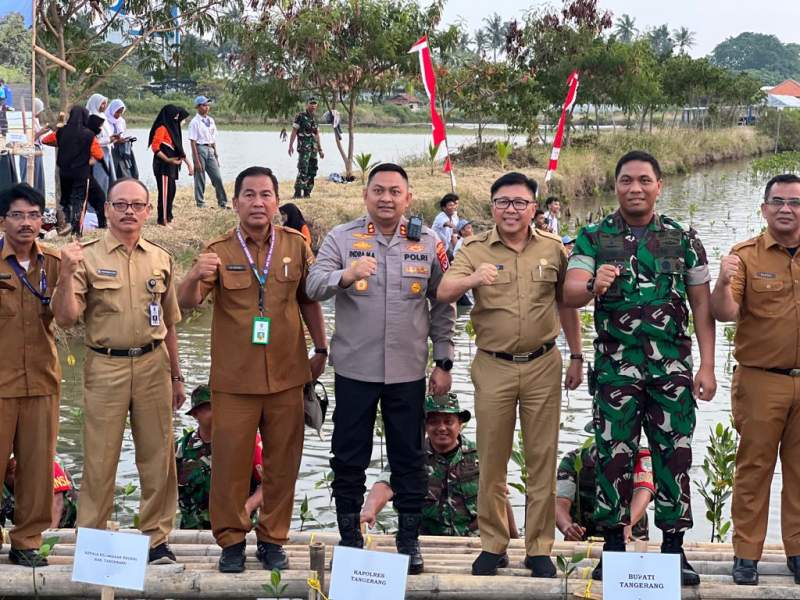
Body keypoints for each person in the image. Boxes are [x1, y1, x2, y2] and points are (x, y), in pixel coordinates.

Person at [562, 150, 717, 585]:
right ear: (616, 186)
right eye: (627, 180)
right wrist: (594, 285)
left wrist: (707, 366)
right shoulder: (593, 236)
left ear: (659, 186)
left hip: (672, 371)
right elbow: (570, 292)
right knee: (614, 456)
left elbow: (702, 305)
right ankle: (612, 546)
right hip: (617, 373)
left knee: (675, 456)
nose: (636, 188)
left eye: (644, 180)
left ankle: (673, 548)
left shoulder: (681, 239)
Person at [306, 162, 456, 575]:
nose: (386, 198)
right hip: (355, 369)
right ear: (365, 195)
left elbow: (443, 303)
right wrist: (345, 274)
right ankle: (351, 539)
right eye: (378, 190)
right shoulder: (342, 237)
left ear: (408, 197)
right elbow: (312, 285)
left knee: (409, 457)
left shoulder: (428, 242)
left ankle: (409, 542)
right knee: (349, 456)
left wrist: (443, 360)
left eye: (395, 191)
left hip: (408, 370)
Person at [177, 166, 327, 574]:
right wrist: (193, 274)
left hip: (287, 376)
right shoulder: (218, 250)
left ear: (276, 201)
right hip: (234, 380)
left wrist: (321, 348)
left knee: (283, 464)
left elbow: (309, 300)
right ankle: (231, 540)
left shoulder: (296, 246)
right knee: (229, 465)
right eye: (249, 194)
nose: (257, 202)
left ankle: (273, 539)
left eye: (265, 194)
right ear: (236, 201)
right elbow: (187, 303)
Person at [436, 172, 583, 578]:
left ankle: (538, 548)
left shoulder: (554, 249)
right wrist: (473, 278)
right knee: (492, 458)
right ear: (492, 206)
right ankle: (494, 544)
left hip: (543, 364)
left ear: (534, 207)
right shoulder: (474, 248)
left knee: (541, 459)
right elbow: (445, 291)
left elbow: (567, 303)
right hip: (494, 365)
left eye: (520, 202)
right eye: (503, 202)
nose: (512, 210)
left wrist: (577, 355)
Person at [51, 177, 185, 564]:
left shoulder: (160, 258)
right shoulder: (85, 256)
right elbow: (65, 317)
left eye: (136, 205)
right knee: (99, 458)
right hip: (105, 364)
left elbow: (170, 323)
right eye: (120, 204)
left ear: (147, 210)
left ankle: (156, 540)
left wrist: (176, 377)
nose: (129, 211)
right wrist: (65, 272)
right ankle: (94, 542)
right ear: (106, 209)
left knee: (158, 457)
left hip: (153, 364)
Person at [710, 173, 800, 586]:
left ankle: (797, 551)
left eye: (795, 202)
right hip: (762, 380)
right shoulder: (744, 255)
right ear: (764, 208)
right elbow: (724, 312)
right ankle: (746, 555)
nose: (787, 209)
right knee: (754, 469)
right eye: (778, 201)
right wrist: (723, 281)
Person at [0, 183, 61, 567]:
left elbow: (69, 316)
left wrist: (72, 272)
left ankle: (26, 542)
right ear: (2, 220)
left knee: (37, 468)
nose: (26, 223)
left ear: (43, 220)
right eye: (17, 215)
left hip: (41, 381)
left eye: (33, 215)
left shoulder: (54, 264)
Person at [361, 393, 519, 539]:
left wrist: (514, 541)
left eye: (448, 422)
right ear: (424, 425)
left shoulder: (481, 455)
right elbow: (386, 485)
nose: (442, 428)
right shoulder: (411, 456)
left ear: (460, 424)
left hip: (473, 540)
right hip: (424, 540)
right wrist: (369, 510)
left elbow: (501, 498)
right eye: (434, 422)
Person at [176, 385, 264, 530]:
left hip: (237, 530)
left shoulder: (247, 442)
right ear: (195, 414)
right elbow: (165, 490)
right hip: (193, 532)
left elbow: (267, 485)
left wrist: (248, 507)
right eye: (210, 407)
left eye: (222, 406)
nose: (219, 412)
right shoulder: (182, 448)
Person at [556, 423, 654, 542]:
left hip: (630, 536)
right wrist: (567, 527)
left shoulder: (641, 458)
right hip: (585, 536)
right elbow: (561, 502)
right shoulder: (574, 460)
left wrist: (626, 524)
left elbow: (643, 492)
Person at [40, 106, 104, 235]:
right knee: (82, 200)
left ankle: (67, 226)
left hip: (64, 173)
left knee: (68, 200)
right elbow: (99, 154)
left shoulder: (62, 132)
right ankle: (77, 230)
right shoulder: (88, 134)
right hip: (81, 173)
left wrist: (61, 143)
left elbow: (45, 140)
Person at [2, 457, 78, 530]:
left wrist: (47, 536)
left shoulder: (46, 462)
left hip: (70, 520)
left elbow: (57, 503)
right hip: (26, 522)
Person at [149, 104, 193, 226]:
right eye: (176, 116)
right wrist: (168, 160)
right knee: (164, 193)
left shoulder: (173, 130)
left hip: (172, 166)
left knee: (171, 191)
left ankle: (168, 216)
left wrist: (189, 165)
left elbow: (179, 150)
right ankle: (162, 220)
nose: (178, 119)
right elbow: (155, 148)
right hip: (163, 166)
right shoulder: (162, 128)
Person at [189, 96, 228, 209]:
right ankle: (200, 203)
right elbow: (193, 142)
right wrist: (196, 161)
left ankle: (222, 202)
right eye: (204, 105)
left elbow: (213, 139)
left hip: (210, 148)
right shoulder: (194, 122)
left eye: (207, 105)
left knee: (217, 178)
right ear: (198, 107)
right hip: (199, 149)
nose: (207, 107)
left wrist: (216, 155)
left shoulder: (211, 121)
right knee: (200, 177)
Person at [288, 98, 324, 198]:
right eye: (311, 104)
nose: (313, 106)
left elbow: (317, 135)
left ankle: (307, 192)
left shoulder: (315, 118)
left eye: (315, 104)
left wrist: (320, 150)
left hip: (314, 149)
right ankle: (298, 192)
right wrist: (290, 145)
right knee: (303, 168)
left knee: (312, 170)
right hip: (304, 147)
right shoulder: (300, 116)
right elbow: (294, 131)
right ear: (307, 105)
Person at [86, 94, 116, 197]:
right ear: (96, 104)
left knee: (106, 180)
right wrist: (108, 140)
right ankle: (93, 210)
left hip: (106, 152)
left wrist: (113, 138)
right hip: (96, 154)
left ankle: (104, 205)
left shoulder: (103, 117)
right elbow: (91, 140)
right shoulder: (90, 118)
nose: (104, 106)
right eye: (102, 103)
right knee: (99, 180)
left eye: (105, 103)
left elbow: (106, 135)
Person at [18, 98, 49, 195]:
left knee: (37, 178)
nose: (40, 113)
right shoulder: (26, 120)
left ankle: (38, 202)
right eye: (39, 110)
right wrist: (40, 132)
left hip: (36, 150)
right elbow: (27, 139)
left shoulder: (34, 120)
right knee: (29, 178)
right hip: (29, 151)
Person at [106, 99, 139, 179]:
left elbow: (123, 133)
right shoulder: (105, 121)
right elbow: (104, 137)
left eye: (121, 112)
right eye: (117, 112)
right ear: (112, 110)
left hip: (122, 151)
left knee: (125, 172)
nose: (119, 114)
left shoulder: (121, 121)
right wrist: (115, 140)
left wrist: (124, 139)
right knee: (112, 171)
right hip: (111, 150)